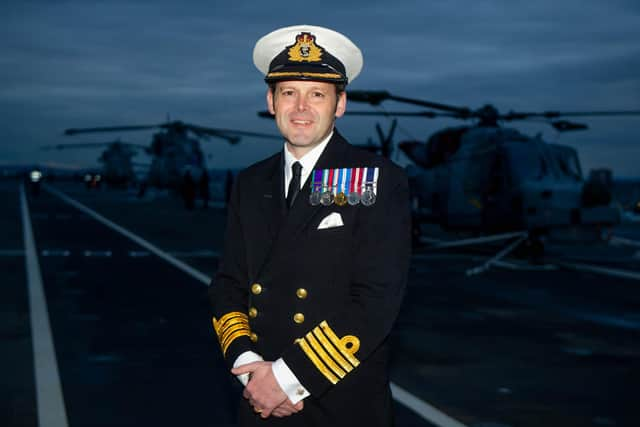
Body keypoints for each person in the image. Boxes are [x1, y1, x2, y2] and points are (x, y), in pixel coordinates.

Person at [209, 25, 411, 426]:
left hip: (340, 402)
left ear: (340, 105)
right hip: (259, 399)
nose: (301, 108)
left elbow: (375, 301)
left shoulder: (377, 179)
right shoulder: (250, 183)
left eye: (317, 94)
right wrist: (250, 367)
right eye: (289, 93)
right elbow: (228, 283)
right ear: (271, 101)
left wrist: (286, 379)